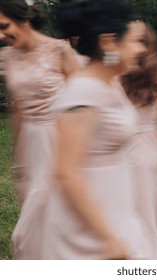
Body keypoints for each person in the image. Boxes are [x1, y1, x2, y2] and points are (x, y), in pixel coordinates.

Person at [38, 0, 146, 259]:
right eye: (134, 41)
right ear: (108, 42)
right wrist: (108, 237)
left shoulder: (110, 84)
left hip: (115, 204)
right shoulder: (82, 92)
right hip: (87, 228)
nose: (141, 49)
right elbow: (65, 173)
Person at [0, 0, 79, 259]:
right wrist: (20, 166)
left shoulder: (60, 50)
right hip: (33, 142)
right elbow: (19, 112)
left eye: (4, 26)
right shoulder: (7, 57)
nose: (1, 35)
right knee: (38, 211)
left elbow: (84, 100)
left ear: (23, 19)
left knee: (52, 213)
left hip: (61, 137)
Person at [121, 20, 157, 259]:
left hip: (125, 145)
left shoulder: (118, 76)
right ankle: (149, 250)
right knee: (148, 205)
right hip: (150, 146)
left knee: (127, 202)